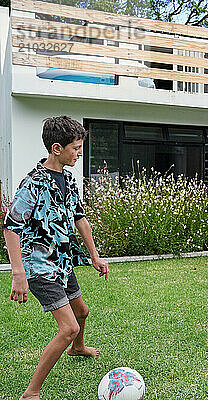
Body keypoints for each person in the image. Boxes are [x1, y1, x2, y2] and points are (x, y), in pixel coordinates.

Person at [3, 116, 109, 400]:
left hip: (62, 262)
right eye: (75, 148)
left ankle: (77, 348)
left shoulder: (68, 178)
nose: (79, 153)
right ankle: (31, 393)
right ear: (56, 148)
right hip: (38, 266)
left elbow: (80, 218)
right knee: (69, 327)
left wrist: (95, 256)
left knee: (82, 312)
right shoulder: (33, 183)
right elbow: (11, 227)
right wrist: (18, 273)